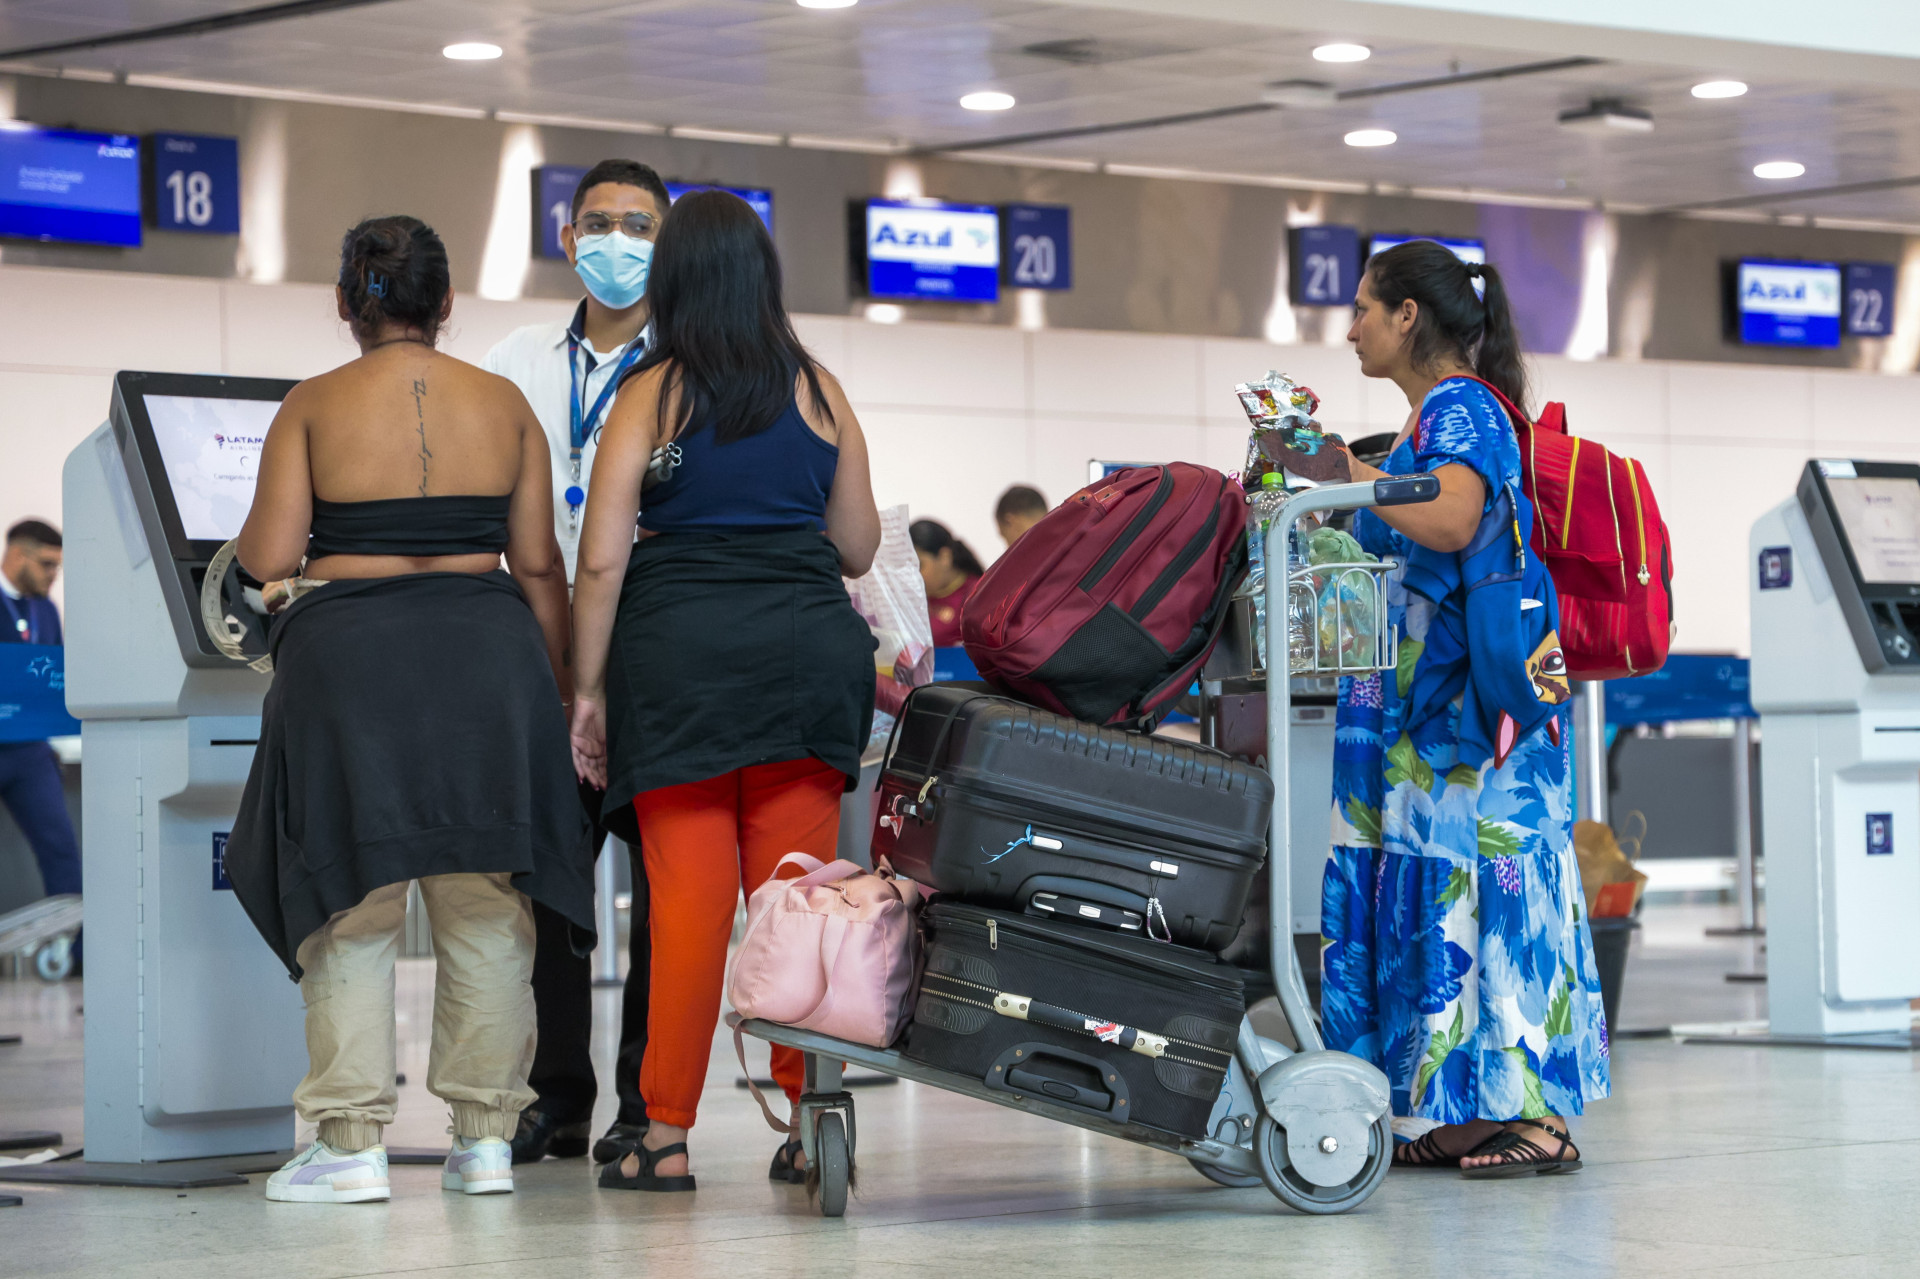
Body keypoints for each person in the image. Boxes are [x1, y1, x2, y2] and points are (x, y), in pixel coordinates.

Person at [223, 216, 594, 1204]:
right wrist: (560, 690)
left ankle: (349, 1142)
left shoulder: (312, 405)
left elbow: (265, 556)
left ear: (348, 302)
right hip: (488, 658)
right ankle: (482, 1140)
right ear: (446, 306)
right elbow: (540, 565)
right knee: (486, 905)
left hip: (352, 665)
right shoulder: (506, 402)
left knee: (352, 901)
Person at [570, 189, 878, 1192]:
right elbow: (859, 545)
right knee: (796, 905)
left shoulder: (650, 392)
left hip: (677, 668)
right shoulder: (820, 390)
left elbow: (602, 562)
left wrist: (586, 691)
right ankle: (808, 1115)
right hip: (802, 662)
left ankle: (663, 1135)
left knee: (691, 909)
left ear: (675, 280)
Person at [1318, 239, 1608, 1178]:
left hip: (1473, 725)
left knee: (1494, 895)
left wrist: (1349, 480)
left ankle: (1539, 1119)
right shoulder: (1425, 420)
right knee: (1444, 896)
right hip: (1425, 716)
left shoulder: (1462, 407)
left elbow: (1449, 518)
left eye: (1364, 306)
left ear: (1409, 317)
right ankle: (1463, 1109)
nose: (1351, 325)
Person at [483, 157, 669, 1169]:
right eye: (599, 222)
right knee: (549, 887)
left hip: (653, 652)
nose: (617, 242)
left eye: (638, 225)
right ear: (567, 237)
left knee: (663, 882)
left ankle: (645, 1099)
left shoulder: (691, 361)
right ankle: (556, 1096)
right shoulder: (515, 359)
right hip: (539, 652)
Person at [0, 521, 82, 948]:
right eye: (47, 565)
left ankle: (80, 953)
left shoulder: (46, 610)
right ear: (17, 555)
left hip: (30, 751)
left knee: (61, 849)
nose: (54, 576)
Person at [910, 519, 983, 647]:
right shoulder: (912, 598)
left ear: (944, 557)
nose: (913, 575)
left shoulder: (978, 595)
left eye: (919, 565)